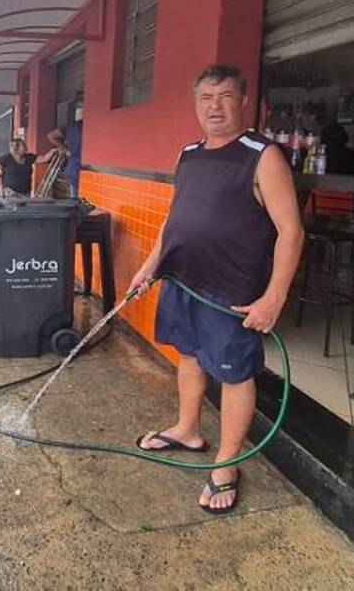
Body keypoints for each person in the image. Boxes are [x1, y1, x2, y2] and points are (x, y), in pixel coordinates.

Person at [128, 64, 303, 515]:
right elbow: (174, 218)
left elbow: (291, 231)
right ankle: (189, 429)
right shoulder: (189, 153)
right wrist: (149, 267)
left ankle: (228, 462)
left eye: (225, 96)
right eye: (206, 98)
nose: (215, 107)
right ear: (196, 104)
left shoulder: (262, 155)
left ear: (243, 101)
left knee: (233, 374)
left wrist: (274, 297)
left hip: (231, 292)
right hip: (183, 280)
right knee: (187, 356)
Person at [34, 128, 72, 199]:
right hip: (65, 169)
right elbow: (51, 135)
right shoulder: (71, 129)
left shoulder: (71, 129)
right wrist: (63, 149)